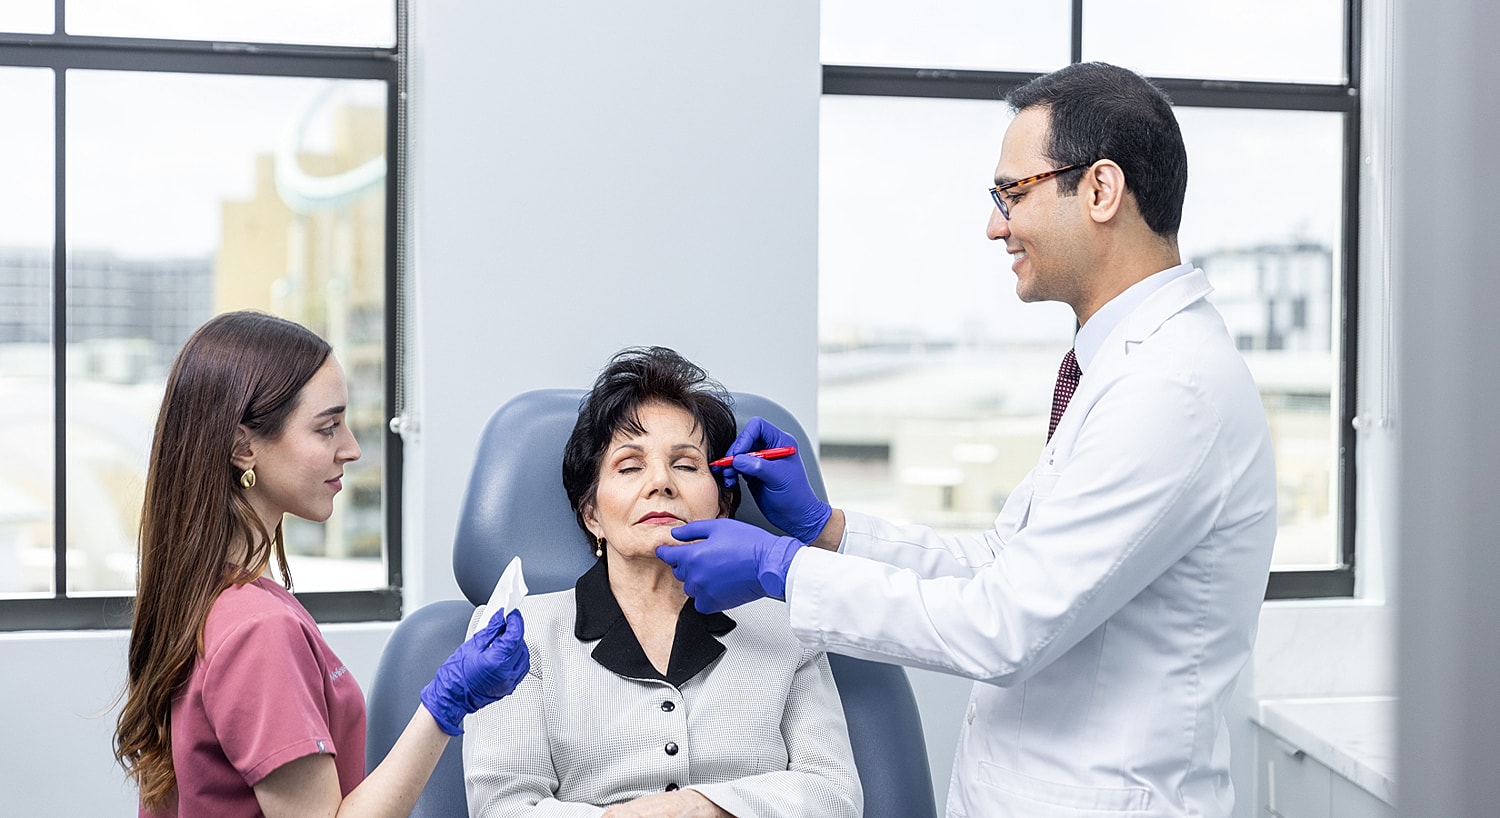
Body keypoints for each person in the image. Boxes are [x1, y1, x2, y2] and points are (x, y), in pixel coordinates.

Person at [659, 62, 1277, 818]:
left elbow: (1004, 624)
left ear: (1101, 189)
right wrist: (826, 531)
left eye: (1012, 194)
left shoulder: (1170, 390)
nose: (995, 225)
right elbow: (1001, 566)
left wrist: (780, 568)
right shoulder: (1117, 370)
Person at [113, 310, 530, 818]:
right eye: (327, 428)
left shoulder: (210, 599)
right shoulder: (258, 632)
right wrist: (447, 705)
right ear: (244, 447)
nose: (351, 449)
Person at [462, 346, 861, 818]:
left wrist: (706, 808)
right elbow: (503, 808)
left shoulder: (786, 626)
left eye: (687, 465)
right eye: (630, 466)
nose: (661, 483)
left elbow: (834, 794)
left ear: (722, 506)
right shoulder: (517, 632)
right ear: (591, 514)